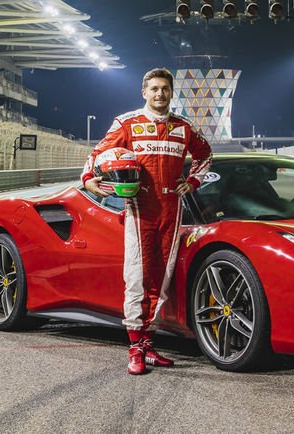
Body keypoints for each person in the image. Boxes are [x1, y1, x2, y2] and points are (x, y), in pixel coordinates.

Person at [82, 68, 212, 375]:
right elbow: (98, 154)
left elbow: (205, 156)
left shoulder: (183, 127)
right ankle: (135, 348)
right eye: (154, 88)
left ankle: (149, 345)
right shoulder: (127, 123)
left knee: (161, 281)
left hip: (172, 210)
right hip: (140, 209)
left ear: (171, 92)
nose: (160, 94)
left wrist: (192, 181)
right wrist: (89, 179)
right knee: (137, 279)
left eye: (165, 88)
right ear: (144, 92)